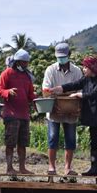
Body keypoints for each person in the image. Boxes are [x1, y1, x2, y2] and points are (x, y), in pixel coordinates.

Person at [50, 56, 97, 183]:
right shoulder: (86, 79)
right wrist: (59, 89)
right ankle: (94, 168)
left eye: (86, 67)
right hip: (94, 118)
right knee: (94, 144)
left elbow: (94, 94)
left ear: (92, 68)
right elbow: (74, 84)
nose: (83, 69)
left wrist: (78, 95)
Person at [42, 43, 83, 177]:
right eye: (59, 57)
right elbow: (46, 90)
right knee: (53, 138)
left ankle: (68, 168)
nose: (61, 59)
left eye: (63, 57)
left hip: (72, 110)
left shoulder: (77, 71)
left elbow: (81, 90)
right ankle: (51, 167)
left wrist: (76, 105)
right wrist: (54, 99)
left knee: (70, 139)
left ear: (69, 55)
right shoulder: (50, 70)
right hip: (55, 110)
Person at [0, 49, 36, 175]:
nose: (26, 65)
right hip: (11, 114)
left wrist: (37, 101)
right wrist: (8, 92)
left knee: (23, 143)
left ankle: (22, 168)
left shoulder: (27, 76)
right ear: (17, 62)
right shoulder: (7, 73)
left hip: (24, 114)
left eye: (27, 63)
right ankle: (9, 168)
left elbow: (30, 94)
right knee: (10, 142)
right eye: (23, 62)